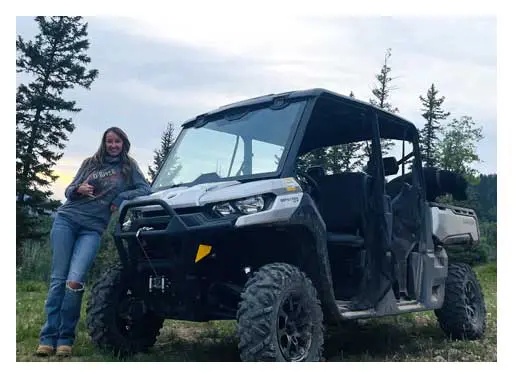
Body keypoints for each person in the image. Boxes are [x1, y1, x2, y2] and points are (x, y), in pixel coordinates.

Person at [35, 127, 152, 357]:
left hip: (93, 229)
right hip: (66, 221)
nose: (113, 145)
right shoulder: (91, 163)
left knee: (75, 282)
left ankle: (66, 338)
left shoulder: (128, 168)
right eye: (109, 141)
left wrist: (120, 198)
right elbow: (69, 191)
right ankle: (48, 337)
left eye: (117, 141)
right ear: (104, 143)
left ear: (123, 144)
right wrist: (78, 189)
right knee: (59, 280)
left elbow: (145, 188)